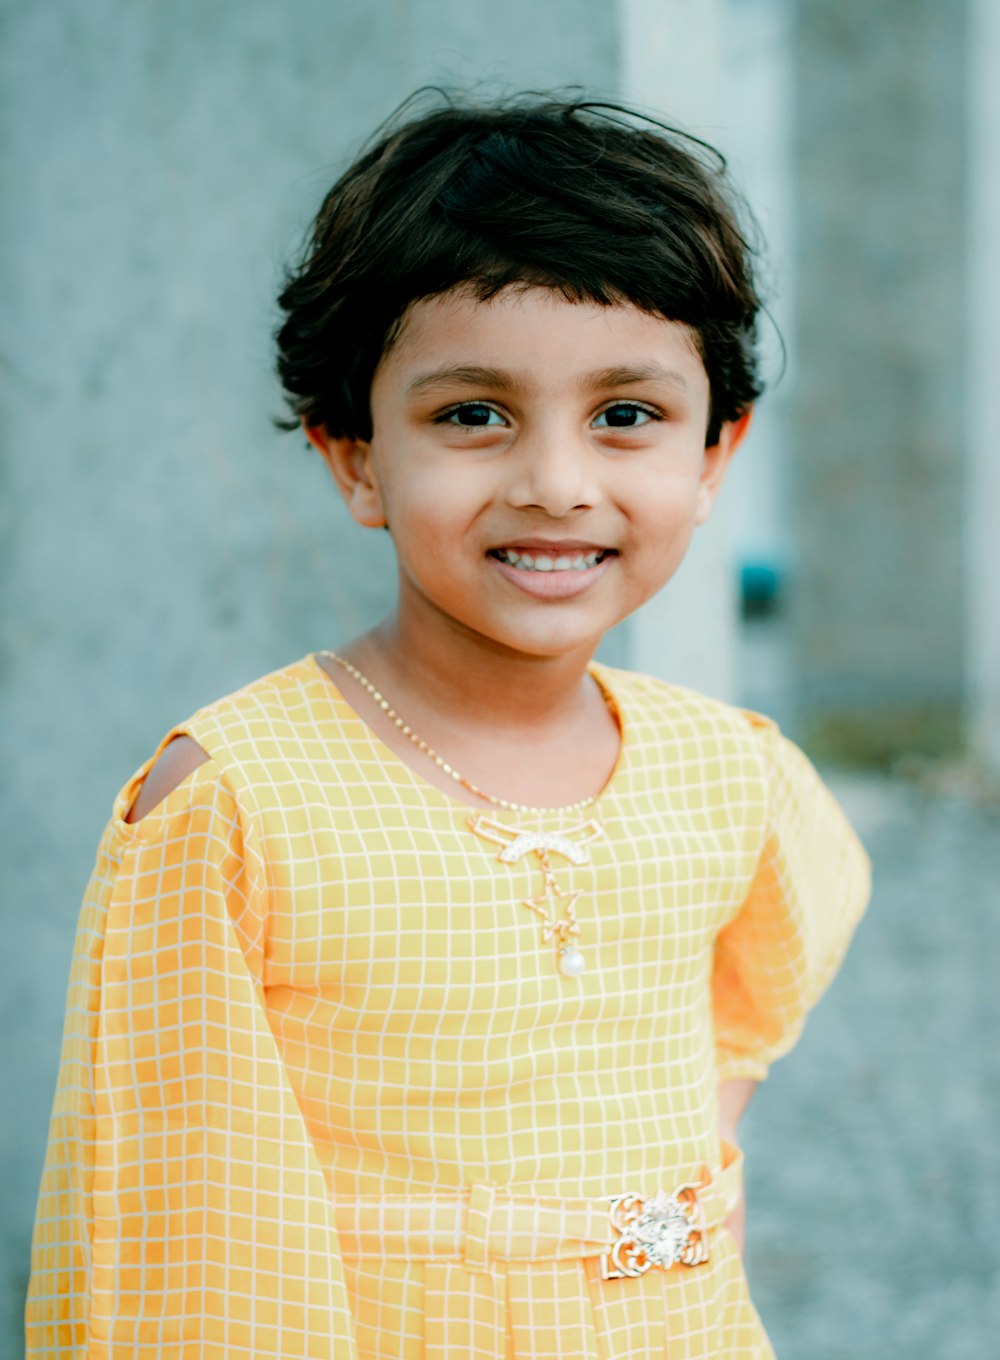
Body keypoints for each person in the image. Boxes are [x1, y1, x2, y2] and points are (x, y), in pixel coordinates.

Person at [26, 93, 870, 1360]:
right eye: (472, 413)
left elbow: (735, 1029)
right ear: (355, 455)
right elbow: (174, 1229)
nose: (555, 480)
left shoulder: (728, 772)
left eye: (625, 415)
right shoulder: (235, 802)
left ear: (713, 454)